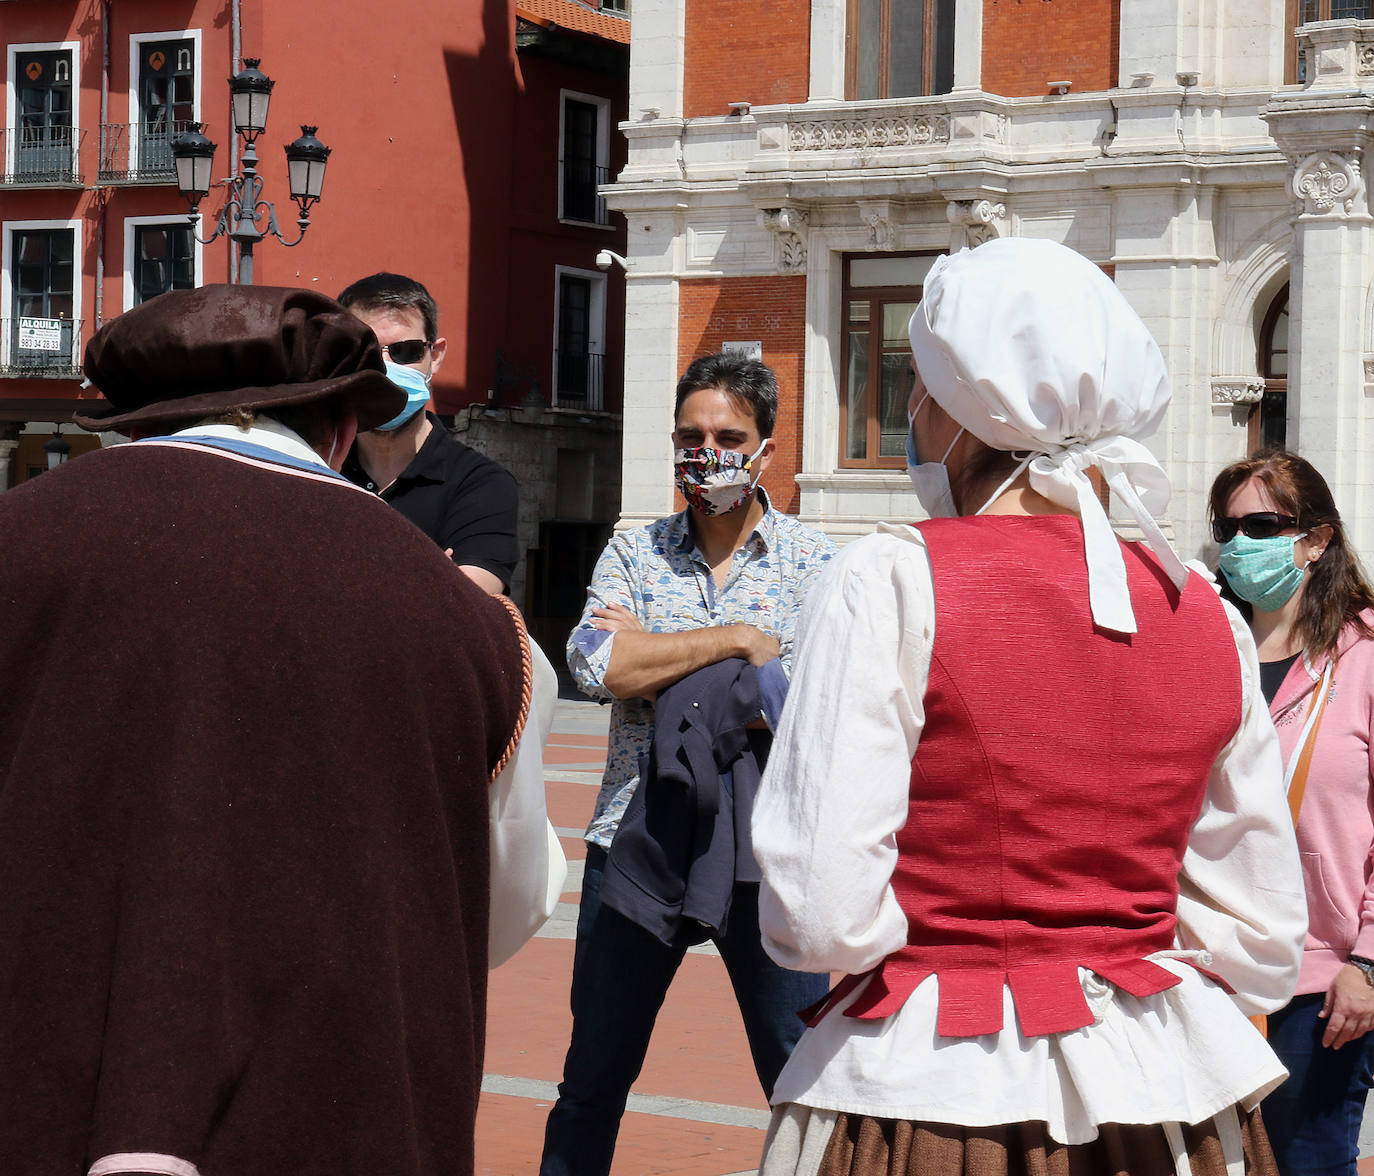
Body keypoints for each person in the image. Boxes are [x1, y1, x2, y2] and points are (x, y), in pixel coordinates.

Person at [752, 239, 1308, 1176]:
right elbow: (1261, 935)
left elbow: (821, 914)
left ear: (969, 414)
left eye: (923, 392)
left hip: (942, 1086)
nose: (915, 420)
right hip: (1163, 1089)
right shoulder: (1205, 610)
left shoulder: (891, 577)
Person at [0, 285, 561, 1176]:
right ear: (340, 429)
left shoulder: (18, 538)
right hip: (345, 1114)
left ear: (130, 421)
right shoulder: (476, 628)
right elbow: (507, 903)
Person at [540, 353, 837, 1176]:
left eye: (728, 436)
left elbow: (820, 700)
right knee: (593, 1075)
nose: (707, 453)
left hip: (768, 851)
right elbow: (598, 668)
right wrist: (738, 644)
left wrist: (657, 654)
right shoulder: (635, 554)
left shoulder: (817, 564)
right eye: (690, 436)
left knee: (800, 1077)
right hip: (637, 842)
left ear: (766, 450)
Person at [1208, 449, 1374, 1176]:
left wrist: (1367, 963)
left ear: (1317, 540)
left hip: (1321, 983)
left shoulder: (1365, 657)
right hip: (1202, 970)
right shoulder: (1203, 646)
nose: (1240, 543)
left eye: (1263, 525)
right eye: (1228, 526)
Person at [338, 271, 519, 593]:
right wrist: (427, 579)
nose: (383, 369)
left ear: (434, 356)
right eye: (364, 352)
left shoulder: (482, 483)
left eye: (405, 352)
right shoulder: (316, 468)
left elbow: (471, 600)